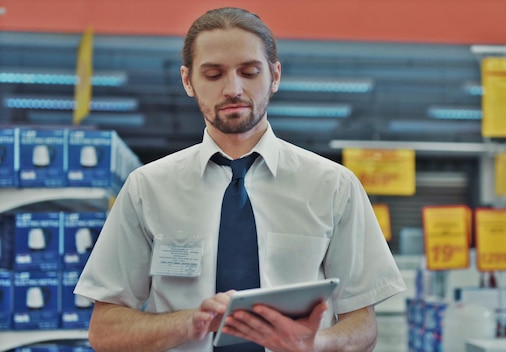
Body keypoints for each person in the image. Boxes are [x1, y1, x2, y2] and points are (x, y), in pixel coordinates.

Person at [74, 7, 406, 352]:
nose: (233, 89)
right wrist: (188, 323)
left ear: (275, 76)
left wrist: (315, 344)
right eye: (214, 74)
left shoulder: (333, 186)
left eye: (249, 72)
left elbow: (363, 323)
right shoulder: (147, 188)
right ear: (188, 81)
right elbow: (105, 330)